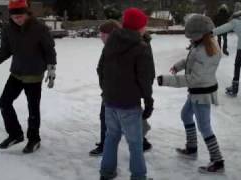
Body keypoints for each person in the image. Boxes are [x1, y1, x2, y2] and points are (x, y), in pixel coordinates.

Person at [0, 0, 57, 154]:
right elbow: (5, 50)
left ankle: (34, 139)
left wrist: (51, 68)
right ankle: (15, 134)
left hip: (34, 73)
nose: (18, 20)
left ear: (27, 13)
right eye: (14, 17)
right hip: (17, 72)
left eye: (20, 16)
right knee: (4, 102)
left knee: (33, 108)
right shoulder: (8, 29)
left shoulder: (39, 28)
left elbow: (49, 50)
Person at [157, 14, 225, 174]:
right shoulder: (200, 46)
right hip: (196, 92)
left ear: (200, 35)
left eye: (191, 37)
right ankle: (192, 147)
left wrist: (167, 80)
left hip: (202, 93)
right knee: (186, 115)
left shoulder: (207, 52)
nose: (190, 40)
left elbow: (194, 79)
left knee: (204, 126)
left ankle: (218, 161)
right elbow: (191, 60)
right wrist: (178, 65)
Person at [97, 8, 155, 180]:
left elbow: (101, 69)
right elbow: (146, 78)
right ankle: (139, 177)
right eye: (144, 25)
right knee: (135, 143)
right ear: (139, 27)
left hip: (110, 102)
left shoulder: (112, 41)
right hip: (129, 104)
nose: (145, 29)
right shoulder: (141, 47)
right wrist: (148, 101)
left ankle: (106, 173)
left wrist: (107, 90)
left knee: (111, 137)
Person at [90, 20, 153, 157]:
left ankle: (139, 146)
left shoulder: (135, 47)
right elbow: (101, 69)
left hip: (125, 93)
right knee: (114, 119)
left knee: (127, 120)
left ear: (112, 34)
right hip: (111, 91)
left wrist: (144, 93)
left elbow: (144, 72)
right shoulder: (110, 47)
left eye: (103, 34)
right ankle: (107, 144)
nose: (101, 37)